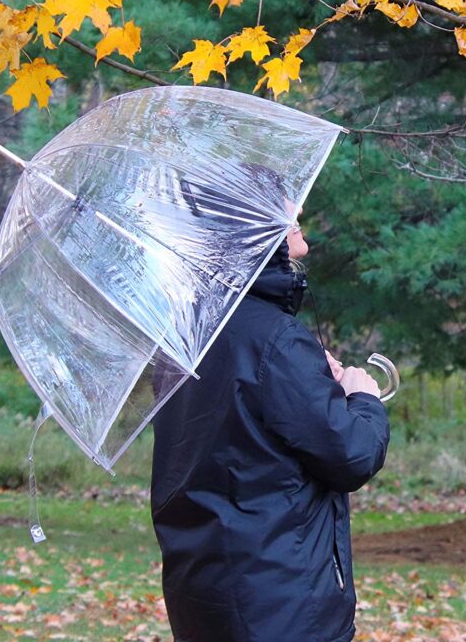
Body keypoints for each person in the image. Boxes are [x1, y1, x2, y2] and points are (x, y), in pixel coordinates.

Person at [150, 206, 390, 642]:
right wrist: (363, 396)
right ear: (252, 229)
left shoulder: (182, 336)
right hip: (279, 601)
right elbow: (352, 454)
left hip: (203, 592)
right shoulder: (275, 339)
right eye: (284, 208)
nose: (297, 211)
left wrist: (311, 379)